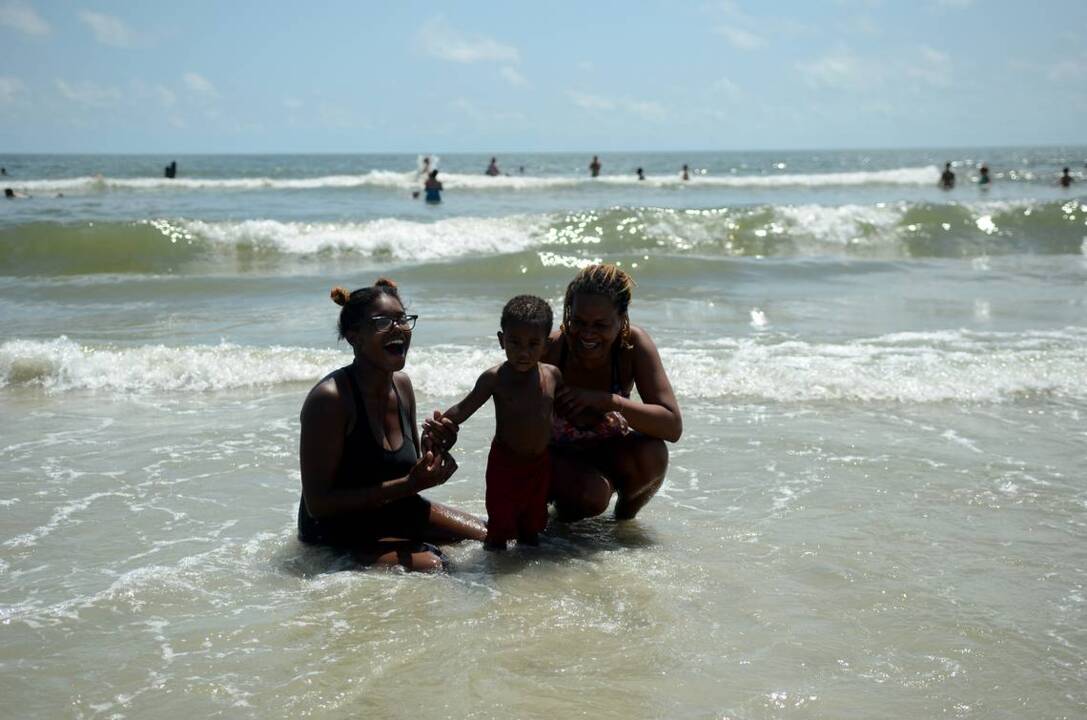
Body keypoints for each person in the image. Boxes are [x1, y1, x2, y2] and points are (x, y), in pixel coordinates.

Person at [297, 279, 487, 571]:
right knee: (435, 564)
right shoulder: (331, 399)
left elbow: (404, 473)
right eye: (383, 321)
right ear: (354, 337)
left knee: (497, 536)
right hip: (337, 531)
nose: (398, 328)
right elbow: (318, 505)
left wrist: (431, 452)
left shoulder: (402, 385)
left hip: (394, 510)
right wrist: (410, 484)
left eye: (402, 320)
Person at [542, 264, 682, 521]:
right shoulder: (550, 351)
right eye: (578, 322)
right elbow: (513, 426)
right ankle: (562, 526)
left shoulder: (632, 347)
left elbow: (672, 426)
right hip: (559, 459)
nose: (587, 333)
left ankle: (622, 523)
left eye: (600, 324)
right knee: (593, 495)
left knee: (653, 454)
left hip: (607, 452)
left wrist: (609, 402)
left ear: (622, 319)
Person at [427, 296, 562, 550]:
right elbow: (464, 408)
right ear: (502, 340)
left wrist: (605, 415)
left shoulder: (553, 375)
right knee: (499, 528)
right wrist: (441, 425)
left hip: (540, 463)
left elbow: (566, 410)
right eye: (514, 342)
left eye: (533, 344)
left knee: (532, 528)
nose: (523, 352)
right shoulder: (495, 378)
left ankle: (530, 583)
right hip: (505, 463)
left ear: (546, 345)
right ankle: (494, 576)